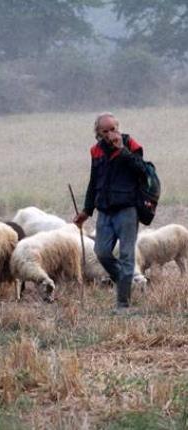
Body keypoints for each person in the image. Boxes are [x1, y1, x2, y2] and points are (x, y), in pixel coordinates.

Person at [74, 112, 147, 311]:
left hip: (127, 210)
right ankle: (126, 284)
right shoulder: (96, 151)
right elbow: (93, 182)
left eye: (113, 129)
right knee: (101, 252)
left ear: (118, 127)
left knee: (126, 257)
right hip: (105, 211)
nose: (110, 134)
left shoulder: (131, 145)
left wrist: (122, 150)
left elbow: (142, 171)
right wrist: (86, 211)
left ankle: (123, 305)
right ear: (98, 133)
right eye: (104, 131)